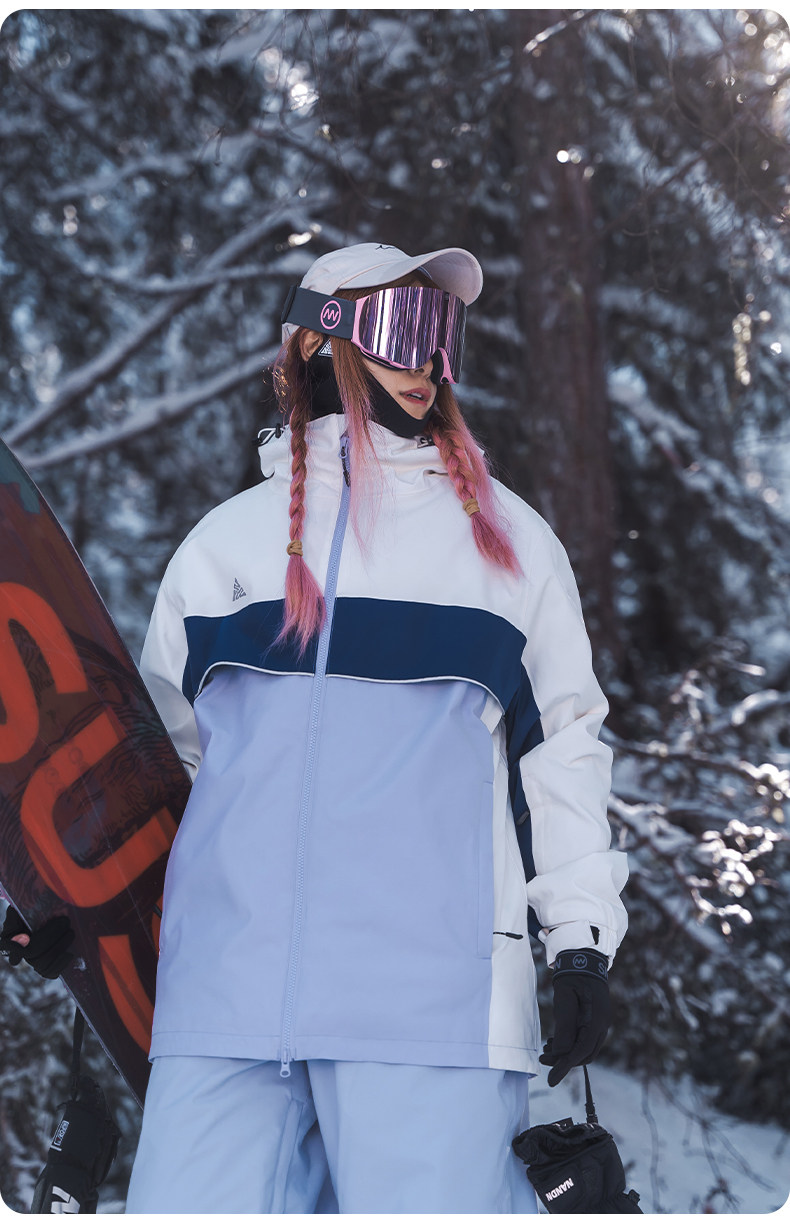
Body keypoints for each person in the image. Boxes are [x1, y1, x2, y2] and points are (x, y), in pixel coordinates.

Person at [4, 242, 629, 1214]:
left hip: (427, 1013)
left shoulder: (506, 548)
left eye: (444, 334)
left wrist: (579, 940)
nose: (431, 361)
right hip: (224, 1006)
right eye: (406, 328)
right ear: (315, 343)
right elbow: (152, 775)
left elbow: (563, 756)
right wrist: (70, 908)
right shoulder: (224, 550)